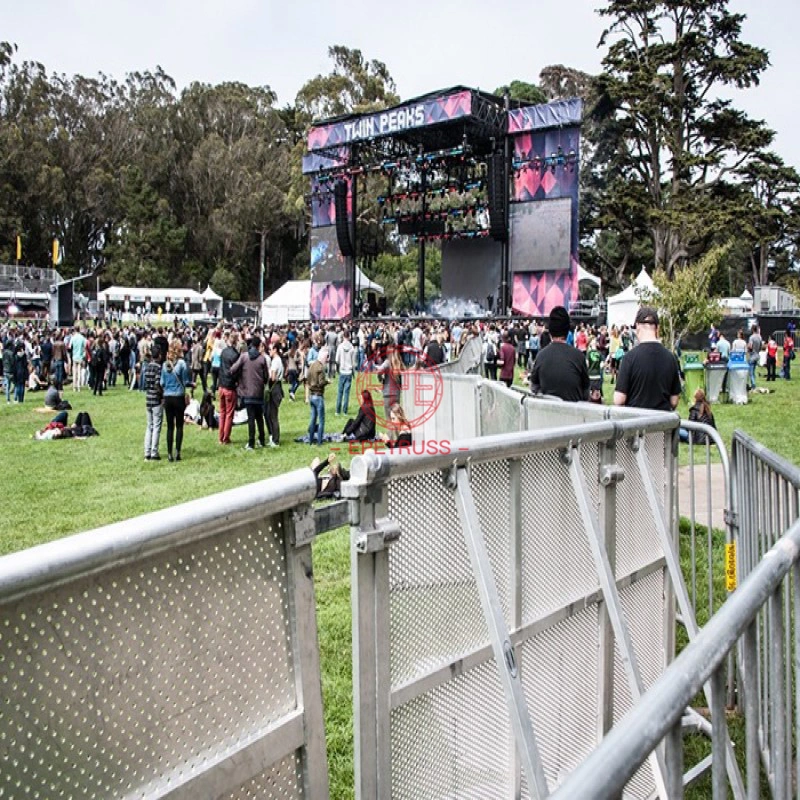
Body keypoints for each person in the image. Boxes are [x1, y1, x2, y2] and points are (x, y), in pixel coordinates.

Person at [614, 307, 681, 412]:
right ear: (657, 328)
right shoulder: (670, 358)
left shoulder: (629, 358)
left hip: (637, 423)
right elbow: (674, 401)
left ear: (637, 327)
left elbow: (619, 399)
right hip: (663, 423)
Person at [529, 306, 590, 402]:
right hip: (574, 413)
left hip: (547, 413)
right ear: (567, 331)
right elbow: (586, 392)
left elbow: (533, 388)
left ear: (550, 332)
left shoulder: (541, 356)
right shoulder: (579, 357)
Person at [230, 336, 269, 451]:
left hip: (247, 392)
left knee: (251, 418)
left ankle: (251, 442)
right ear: (259, 346)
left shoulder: (244, 357)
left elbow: (233, 369)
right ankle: (261, 440)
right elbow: (266, 377)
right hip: (259, 392)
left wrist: (240, 378)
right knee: (259, 418)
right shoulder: (262, 359)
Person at [160, 338, 192, 462]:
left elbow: (162, 382)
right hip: (178, 396)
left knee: (169, 426)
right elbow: (185, 381)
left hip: (167, 397)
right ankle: (177, 451)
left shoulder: (164, 365)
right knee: (179, 426)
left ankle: (169, 453)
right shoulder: (182, 364)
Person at [217, 330, 240, 445]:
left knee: (222, 412)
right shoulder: (235, 355)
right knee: (229, 414)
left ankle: (220, 437)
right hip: (230, 387)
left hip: (221, 385)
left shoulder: (224, 352)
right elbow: (236, 372)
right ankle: (226, 437)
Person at [144, 344, 164, 460]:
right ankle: (154, 452)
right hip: (156, 399)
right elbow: (157, 383)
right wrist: (161, 395)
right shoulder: (158, 367)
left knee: (149, 426)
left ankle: (147, 451)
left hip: (148, 398)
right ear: (159, 355)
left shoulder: (147, 367)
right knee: (157, 426)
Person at [307, 347, 329, 446]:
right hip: (318, 395)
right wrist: (327, 382)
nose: (327, 360)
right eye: (327, 357)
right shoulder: (320, 367)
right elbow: (321, 383)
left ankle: (311, 440)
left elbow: (307, 378)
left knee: (312, 419)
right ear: (324, 357)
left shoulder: (311, 365)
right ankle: (319, 441)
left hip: (311, 395)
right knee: (321, 420)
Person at [265, 341, 284, 447]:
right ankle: (273, 438)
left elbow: (272, 377)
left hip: (275, 388)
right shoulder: (278, 360)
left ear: (275, 349)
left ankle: (275, 440)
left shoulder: (275, 361)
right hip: (278, 387)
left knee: (273, 415)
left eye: (271, 349)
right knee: (271, 414)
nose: (269, 351)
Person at [335, 330, 355, 416]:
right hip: (349, 372)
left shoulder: (340, 347)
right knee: (346, 393)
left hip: (342, 371)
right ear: (349, 337)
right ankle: (345, 411)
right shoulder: (352, 348)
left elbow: (337, 360)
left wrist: (338, 367)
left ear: (343, 336)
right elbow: (353, 362)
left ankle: (337, 411)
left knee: (340, 392)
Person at [746, 324, 762, 390]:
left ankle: (753, 385)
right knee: (753, 371)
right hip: (757, 355)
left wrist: (747, 348)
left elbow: (750, 346)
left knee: (751, 373)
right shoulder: (759, 337)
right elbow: (761, 346)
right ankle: (753, 383)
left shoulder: (751, 337)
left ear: (752, 329)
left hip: (752, 356)